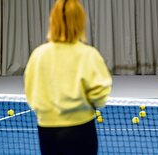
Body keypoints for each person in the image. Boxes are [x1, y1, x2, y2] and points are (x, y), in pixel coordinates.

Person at [24, 0, 112, 154]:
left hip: (46, 131)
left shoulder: (38, 54)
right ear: (80, 21)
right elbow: (100, 96)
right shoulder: (89, 55)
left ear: (53, 20)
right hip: (81, 129)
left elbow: (32, 94)